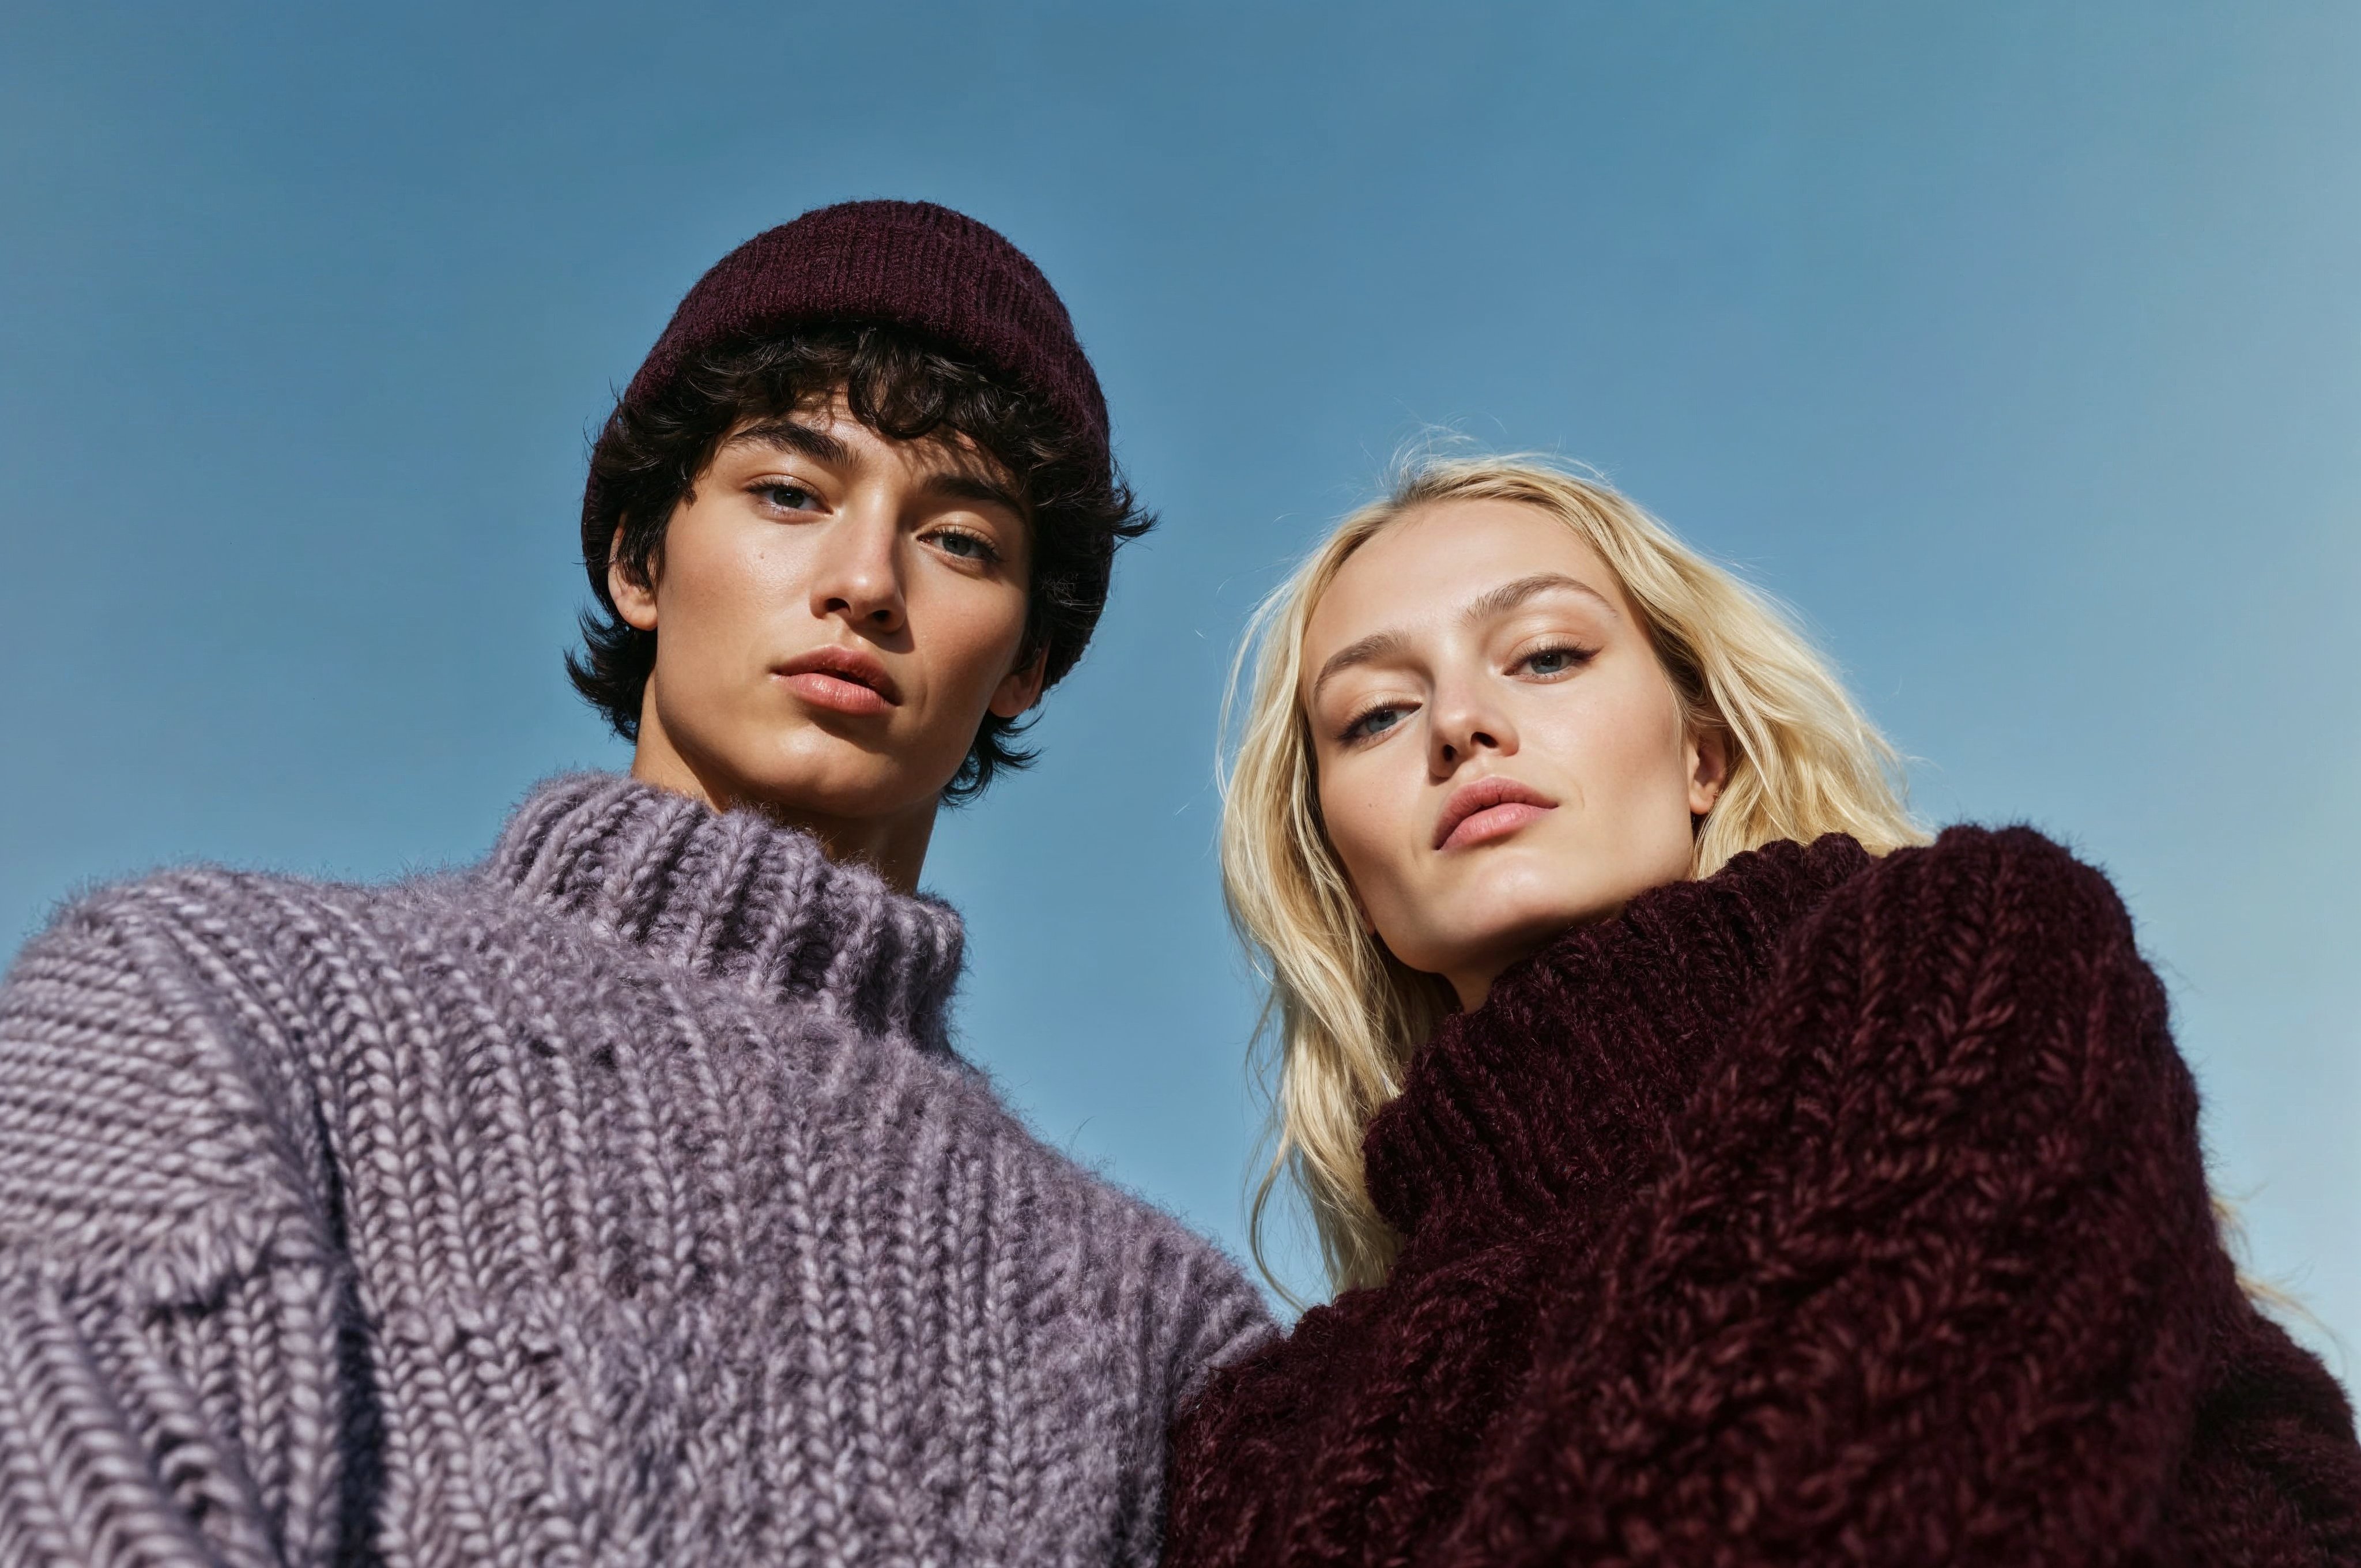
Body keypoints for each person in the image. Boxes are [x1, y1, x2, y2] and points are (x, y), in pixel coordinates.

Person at [0, 199, 1272, 1566]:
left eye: (960, 539)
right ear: (638, 558)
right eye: (789, 492)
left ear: (1025, 662)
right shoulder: (219, 1002)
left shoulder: (1158, 1328)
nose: (864, 582)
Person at [1160, 457, 2361, 1566]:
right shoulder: (1265, 1436)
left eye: (1544, 655)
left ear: (1703, 755)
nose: (1460, 726)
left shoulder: (1978, 955)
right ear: (1341, 874)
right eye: (1373, 715)